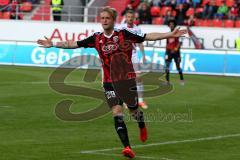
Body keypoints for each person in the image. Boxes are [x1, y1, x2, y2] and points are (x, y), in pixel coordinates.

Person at [37, 7, 186, 158]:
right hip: (108, 82)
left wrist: (169, 34)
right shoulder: (96, 38)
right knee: (117, 112)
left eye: (107, 18)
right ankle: (127, 147)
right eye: (102, 18)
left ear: (113, 20)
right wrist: (53, 44)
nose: (104, 21)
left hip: (127, 81)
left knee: (134, 112)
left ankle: (141, 125)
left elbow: (148, 37)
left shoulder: (124, 34)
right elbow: (73, 44)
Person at [117, 10, 148, 109]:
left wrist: (143, 55)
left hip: (134, 55)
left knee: (138, 78)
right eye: (128, 17)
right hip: (124, 56)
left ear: (134, 18)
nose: (130, 18)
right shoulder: (120, 28)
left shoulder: (137, 29)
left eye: (131, 17)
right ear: (126, 17)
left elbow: (140, 43)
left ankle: (141, 101)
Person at [165, 19, 184, 85]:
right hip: (169, 52)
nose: (171, 26)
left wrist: (175, 49)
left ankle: (181, 79)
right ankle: (167, 81)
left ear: (174, 25)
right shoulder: (168, 34)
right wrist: (166, 51)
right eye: (170, 25)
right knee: (167, 66)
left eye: (172, 24)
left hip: (176, 53)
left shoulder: (178, 33)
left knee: (178, 66)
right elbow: (167, 44)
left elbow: (180, 42)